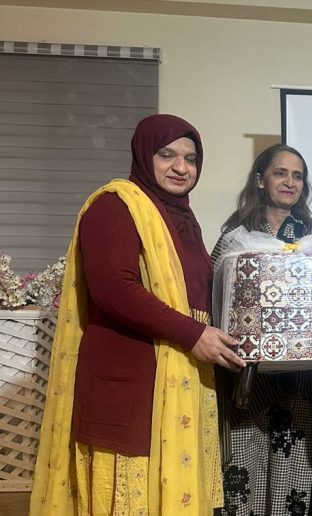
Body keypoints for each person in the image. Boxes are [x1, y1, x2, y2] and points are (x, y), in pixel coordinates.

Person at [30, 114, 245, 516]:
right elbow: (113, 288)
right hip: (131, 378)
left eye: (191, 158)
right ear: (144, 155)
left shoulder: (182, 218)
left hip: (181, 375)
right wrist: (194, 334)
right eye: (167, 155)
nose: (181, 167)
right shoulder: (114, 206)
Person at [211, 144, 312, 516]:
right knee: (245, 464)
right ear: (261, 180)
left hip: (300, 379)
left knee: (296, 471)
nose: (290, 182)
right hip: (247, 378)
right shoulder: (235, 238)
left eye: (297, 176)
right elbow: (214, 299)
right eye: (280, 173)